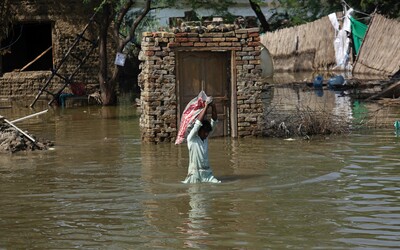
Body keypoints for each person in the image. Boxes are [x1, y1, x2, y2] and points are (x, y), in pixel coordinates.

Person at [182, 96, 221, 184]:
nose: (206, 134)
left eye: (207, 132)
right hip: (194, 174)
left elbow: (214, 121)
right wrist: (206, 106)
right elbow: (197, 124)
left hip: (207, 174)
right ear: (199, 131)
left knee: (218, 184)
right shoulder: (191, 139)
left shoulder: (205, 138)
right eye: (204, 132)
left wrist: (213, 106)